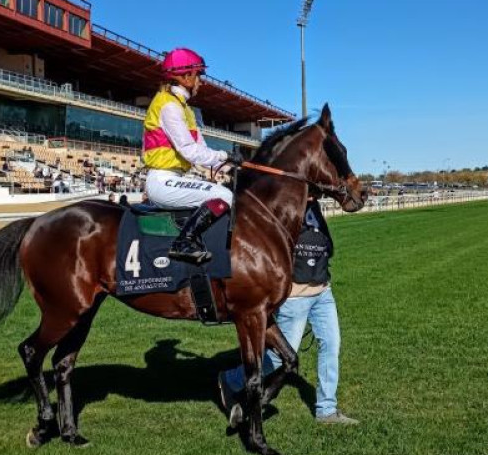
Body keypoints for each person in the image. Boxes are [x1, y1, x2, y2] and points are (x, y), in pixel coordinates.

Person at [218, 195, 358, 425]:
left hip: (323, 293)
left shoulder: (314, 208)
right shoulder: (283, 206)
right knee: (277, 356)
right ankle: (232, 379)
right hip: (294, 297)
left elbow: (327, 247)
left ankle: (326, 410)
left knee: (331, 346)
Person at [142, 47, 240, 264]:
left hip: (176, 178)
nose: (200, 82)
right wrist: (226, 155)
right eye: (198, 75)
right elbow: (189, 151)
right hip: (162, 180)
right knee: (224, 196)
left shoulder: (186, 110)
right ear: (185, 77)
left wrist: (230, 167)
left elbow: (202, 150)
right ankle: (183, 242)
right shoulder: (168, 105)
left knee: (225, 192)